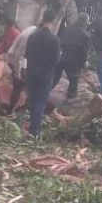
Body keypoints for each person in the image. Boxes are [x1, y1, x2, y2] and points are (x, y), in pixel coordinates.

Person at [24, 9, 61, 138]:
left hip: (31, 72)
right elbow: (56, 60)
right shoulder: (54, 40)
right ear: (53, 21)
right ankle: (34, 132)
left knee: (33, 101)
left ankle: (31, 127)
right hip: (45, 74)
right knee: (40, 103)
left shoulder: (33, 36)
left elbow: (27, 54)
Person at [53, 12, 92, 99]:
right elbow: (84, 52)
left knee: (54, 78)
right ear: (85, 22)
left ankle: (43, 94)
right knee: (74, 80)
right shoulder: (85, 35)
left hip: (61, 56)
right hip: (73, 60)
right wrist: (83, 64)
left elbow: (60, 40)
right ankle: (70, 100)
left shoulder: (68, 29)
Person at [4, 23, 38, 114]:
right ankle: (11, 109)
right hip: (20, 61)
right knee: (19, 85)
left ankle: (16, 107)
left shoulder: (31, 28)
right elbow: (22, 54)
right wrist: (19, 71)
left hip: (17, 59)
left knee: (19, 85)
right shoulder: (32, 36)